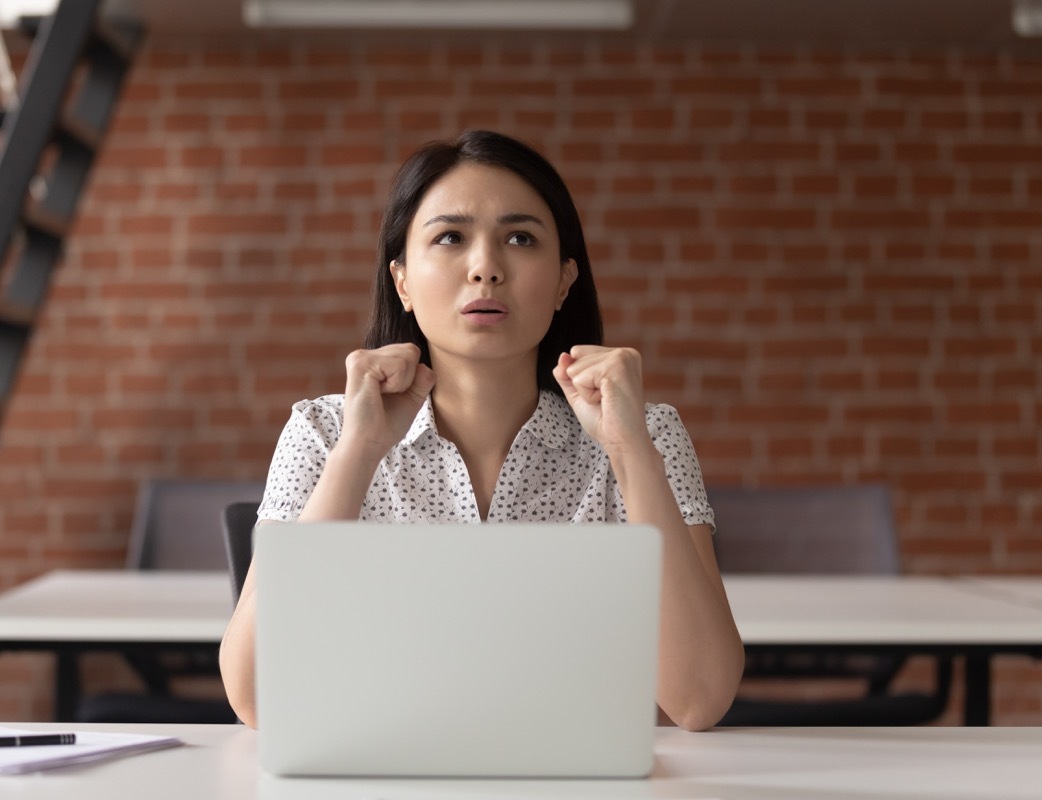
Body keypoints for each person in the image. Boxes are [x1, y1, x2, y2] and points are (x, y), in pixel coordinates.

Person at [219, 130, 744, 731]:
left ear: (564, 281)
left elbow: (700, 699)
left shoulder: (646, 432)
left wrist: (629, 454)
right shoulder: (322, 431)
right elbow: (259, 699)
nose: (486, 268)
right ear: (403, 282)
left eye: (520, 239)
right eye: (450, 238)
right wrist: (358, 454)